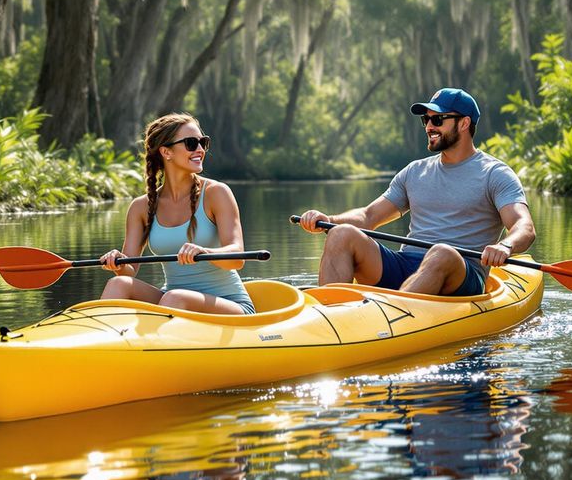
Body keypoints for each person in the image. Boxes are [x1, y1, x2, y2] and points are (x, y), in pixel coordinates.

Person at [297, 87, 535, 296]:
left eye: (438, 119)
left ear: (464, 123)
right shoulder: (414, 171)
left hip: (461, 274)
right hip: (407, 265)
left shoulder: (495, 173)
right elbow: (369, 216)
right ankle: (329, 314)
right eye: (426, 120)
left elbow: (524, 227)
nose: (429, 126)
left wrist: (505, 246)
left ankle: (394, 313)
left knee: (442, 252)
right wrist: (329, 220)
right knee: (342, 234)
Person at [100, 113, 255, 315]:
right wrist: (117, 261)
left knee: (175, 297)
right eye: (191, 143)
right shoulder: (141, 207)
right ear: (166, 152)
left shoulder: (216, 193)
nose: (200, 149)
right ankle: (98, 344)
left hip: (229, 305)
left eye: (203, 142)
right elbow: (129, 269)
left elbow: (237, 258)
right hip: (172, 301)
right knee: (118, 283)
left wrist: (205, 252)